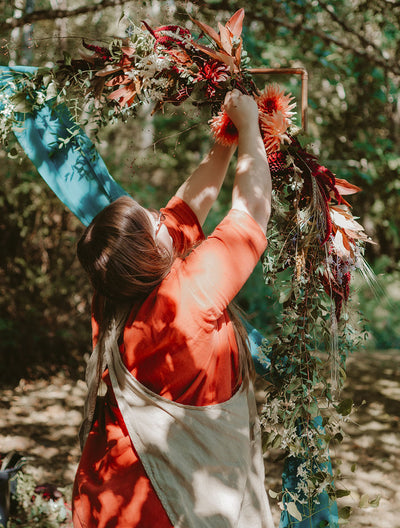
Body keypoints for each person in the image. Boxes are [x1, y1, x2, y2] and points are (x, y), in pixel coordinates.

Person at [71, 89, 275, 528]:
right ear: (150, 249)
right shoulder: (187, 295)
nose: (160, 216)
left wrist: (226, 137)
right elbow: (253, 209)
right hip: (162, 506)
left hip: (102, 499)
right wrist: (253, 129)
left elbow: (186, 208)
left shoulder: (112, 288)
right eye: (152, 219)